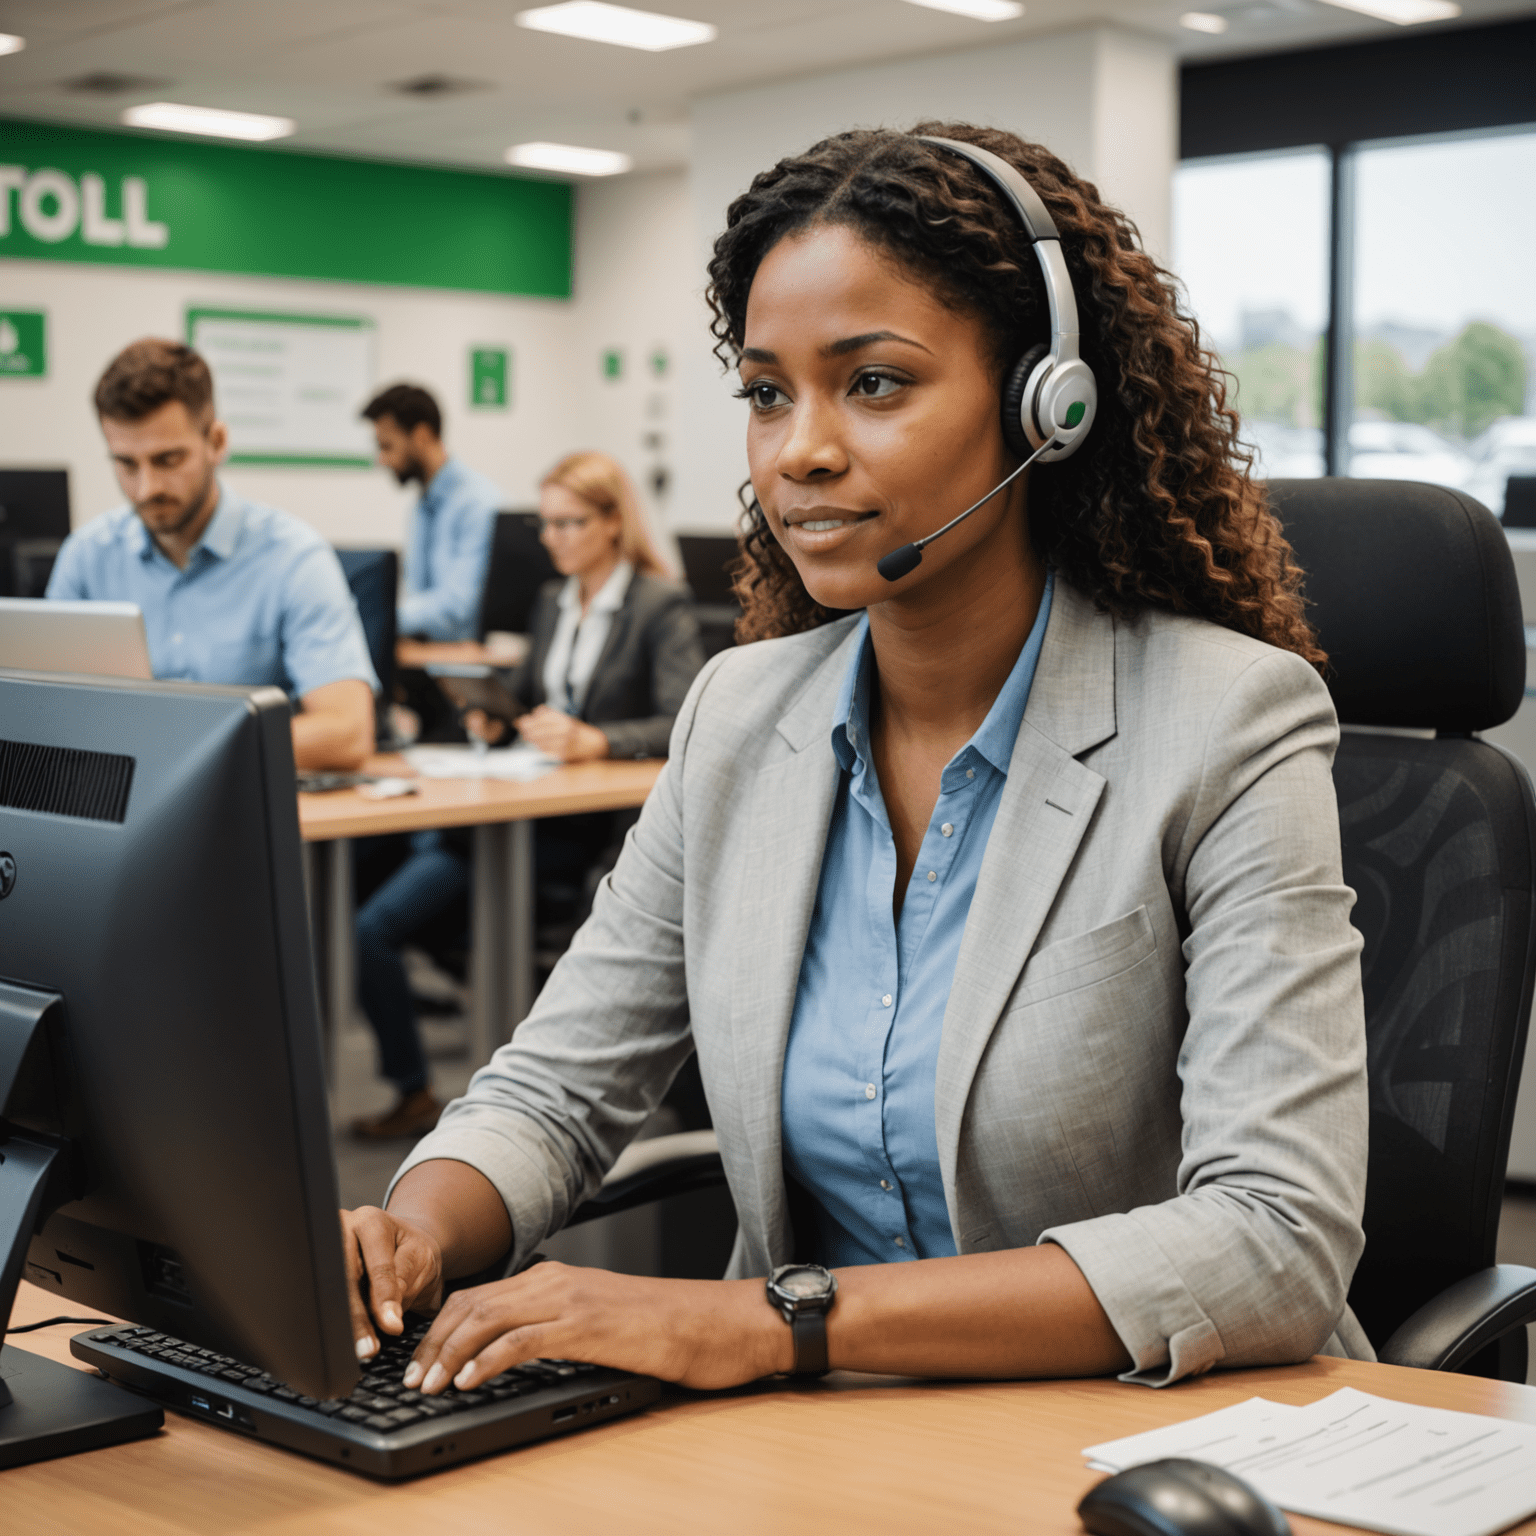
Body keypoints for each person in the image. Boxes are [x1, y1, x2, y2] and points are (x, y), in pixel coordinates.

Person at [339, 124, 1371, 1398]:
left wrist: (774, 1324)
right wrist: (414, 1231)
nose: (799, 450)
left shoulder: (1227, 721)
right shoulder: (737, 715)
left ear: (1047, 401)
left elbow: (1275, 1236)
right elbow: (556, 1091)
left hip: (1144, 1442)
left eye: (873, 383)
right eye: (768, 393)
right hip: (810, 1448)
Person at [351, 451, 704, 1140]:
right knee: (377, 922)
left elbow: (686, 714)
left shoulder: (659, 604)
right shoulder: (551, 601)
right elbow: (532, 700)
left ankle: (522, 1106)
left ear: (611, 523)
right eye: (546, 525)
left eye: (569, 523)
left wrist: (595, 739)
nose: (553, 538)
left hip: (586, 832)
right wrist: (497, 714)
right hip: (512, 815)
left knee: (391, 915)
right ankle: (419, 1090)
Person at [47, 339, 376, 770]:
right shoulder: (87, 557)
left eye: (168, 459)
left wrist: (182, 755)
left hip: (238, 816)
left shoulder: (294, 559)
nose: (147, 489)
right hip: (112, 809)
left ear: (216, 442)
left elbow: (347, 733)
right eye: (126, 464)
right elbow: (44, 719)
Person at [362, 383, 500, 643]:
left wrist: (378, 617)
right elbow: (419, 595)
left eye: (387, 446)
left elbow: (459, 607)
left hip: (461, 664)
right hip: (424, 655)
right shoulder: (422, 506)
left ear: (422, 436)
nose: (381, 459)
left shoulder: (478, 504)